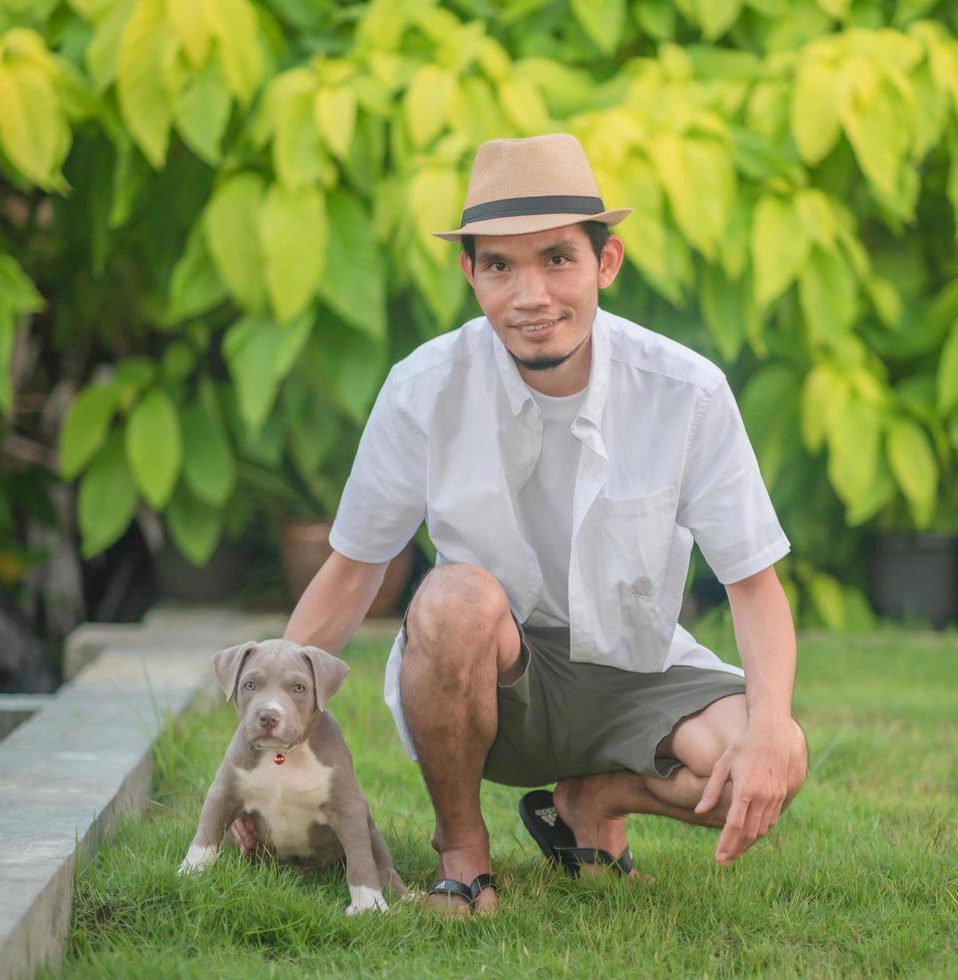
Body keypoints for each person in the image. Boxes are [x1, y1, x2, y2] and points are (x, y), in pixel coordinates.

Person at [269, 133, 808, 914]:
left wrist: (772, 727)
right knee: (451, 597)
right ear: (470, 273)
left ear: (606, 264)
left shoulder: (684, 392)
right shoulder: (423, 389)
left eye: (557, 259)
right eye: (500, 265)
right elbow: (351, 570)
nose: (530, 295)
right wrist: (268, 741)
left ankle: (592, 798)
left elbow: (752, 584)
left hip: (637, 670)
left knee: (766, 764)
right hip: (496, 679)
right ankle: (462, 853)